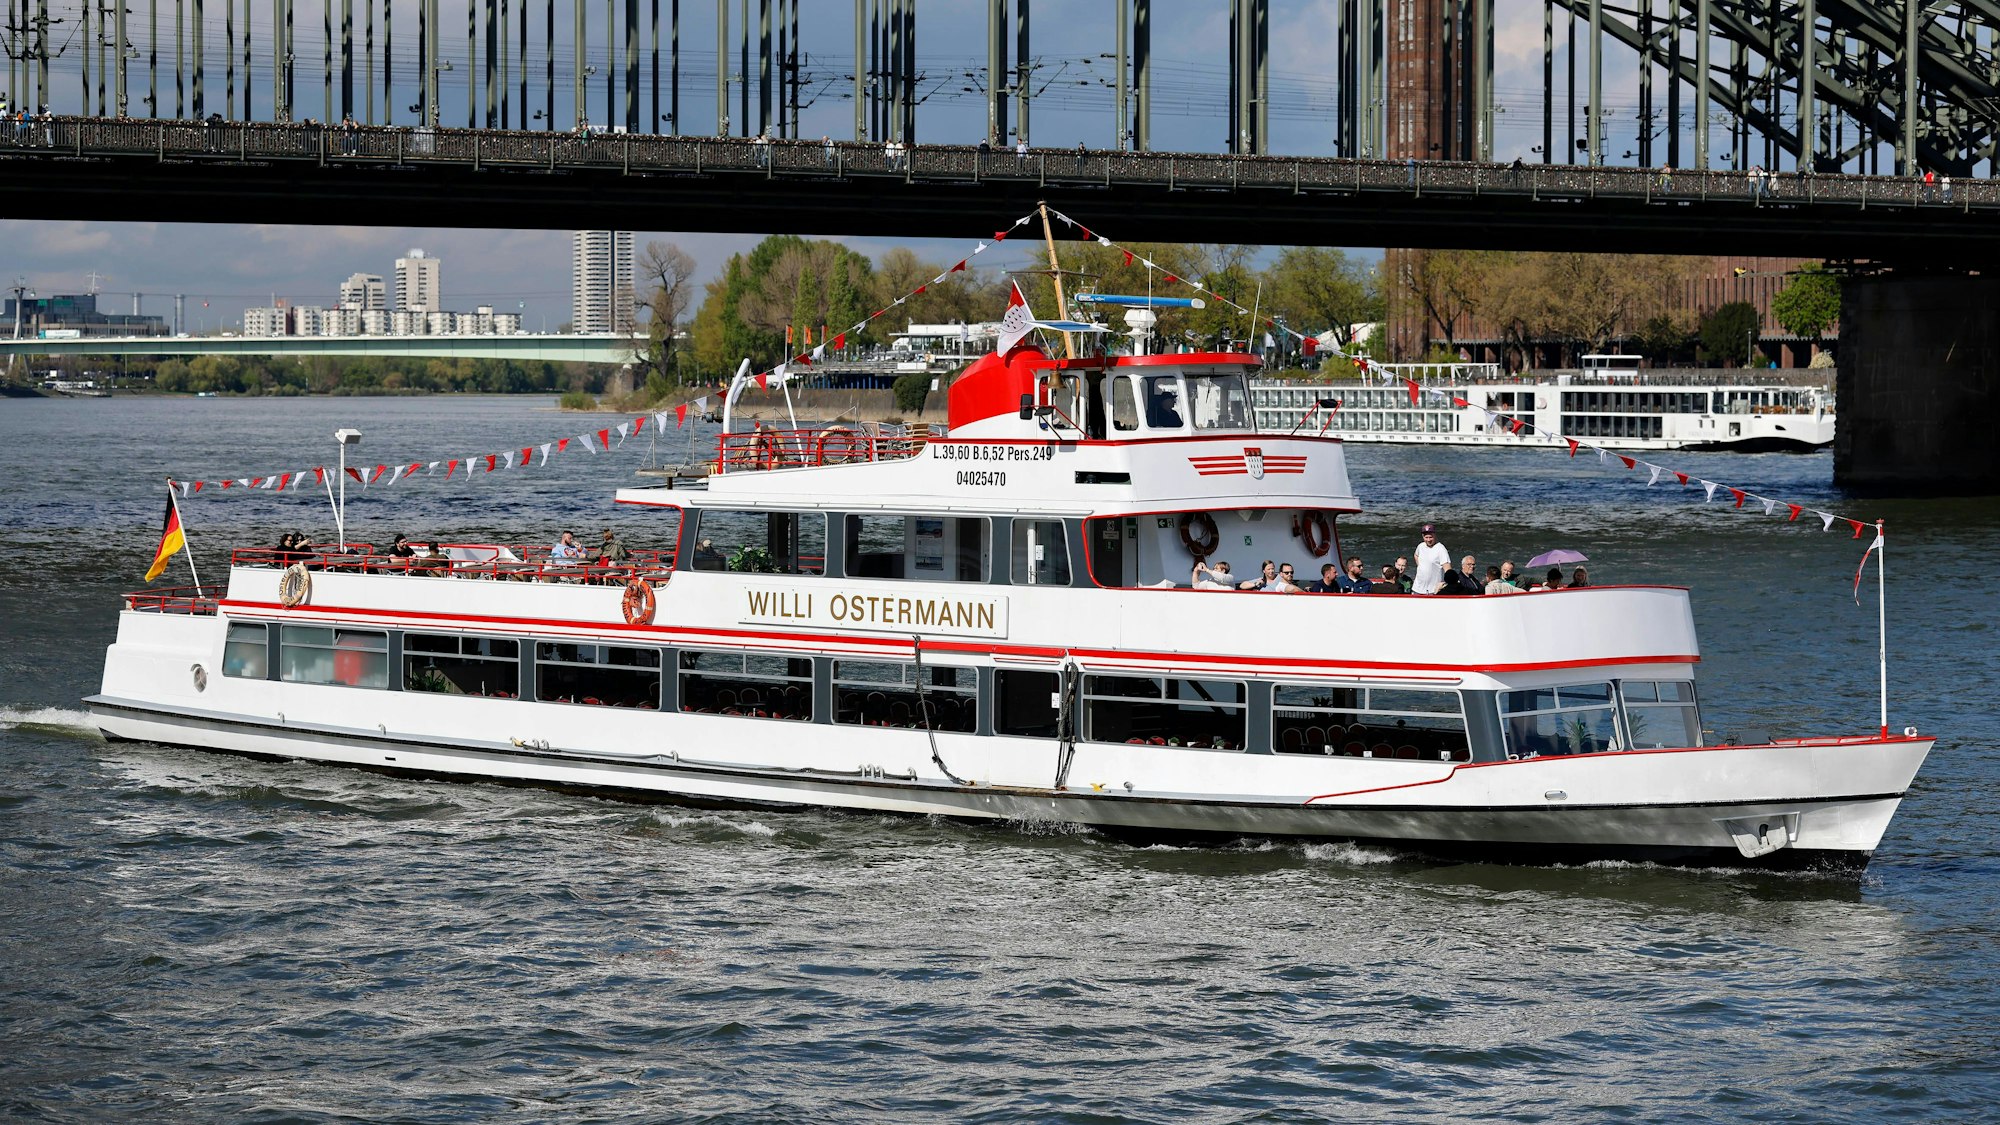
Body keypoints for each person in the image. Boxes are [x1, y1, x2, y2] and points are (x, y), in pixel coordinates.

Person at [1410, 523, 1450, 594]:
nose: (1428, 540)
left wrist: (1443, 584)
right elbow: (1416, 555)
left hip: (1433, 590)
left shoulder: (1441, 549)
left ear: (1434, 535)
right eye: (1426, 537)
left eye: (1430, 537)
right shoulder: (1421, 546)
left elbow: (1448, 570)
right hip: (1417, 588)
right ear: (1423, 536)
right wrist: (1421, 567)